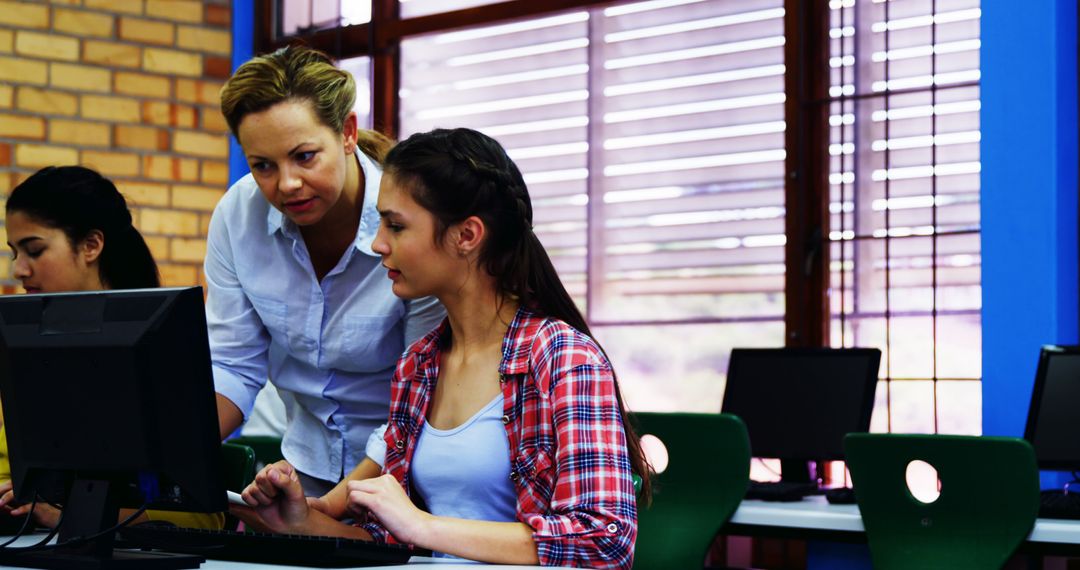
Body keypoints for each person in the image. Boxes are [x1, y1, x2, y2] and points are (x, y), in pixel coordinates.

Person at [238, 128, 647, 568]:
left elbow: (603, 541)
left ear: (467, 235)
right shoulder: (419, 366)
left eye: (396, 226)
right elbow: (388, 541)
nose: (378, 245)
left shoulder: (565, 358)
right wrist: (299, 523)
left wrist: (424, 526)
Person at [210, 45, 444, 498]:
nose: (286, 184)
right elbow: (232, 365)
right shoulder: (237, 217)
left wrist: (329, 512)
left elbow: (423, 396)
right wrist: (164, 453)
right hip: (307, 467)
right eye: (262, 165)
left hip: (412, 473)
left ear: (348, 133)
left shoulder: (412, 219)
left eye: (304, 156)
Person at [0, 165, 221, 529]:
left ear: (91, 245)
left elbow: (203, 516)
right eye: (14, 253)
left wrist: (69, 518)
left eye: (34, 250)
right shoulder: (19, 346)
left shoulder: (156, 352)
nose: (19, 270)